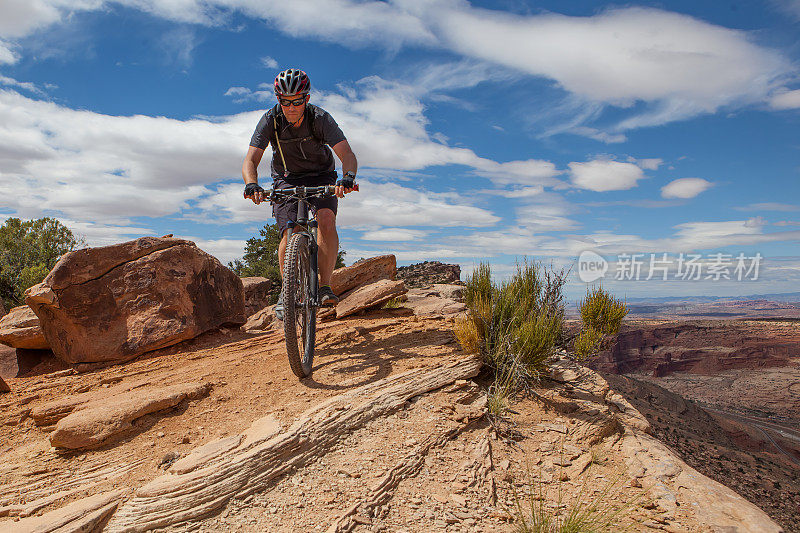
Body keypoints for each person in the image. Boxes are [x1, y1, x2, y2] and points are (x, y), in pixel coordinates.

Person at [242, 68, 357, 320]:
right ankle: (287, 292)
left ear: (306, 98)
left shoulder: (320, 118)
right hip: (286, 178)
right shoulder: (270, 120)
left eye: (297, 101)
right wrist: (252, 184)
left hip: (321, 176)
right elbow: (250, 159)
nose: (291, 107)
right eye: (285, 101)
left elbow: (347, 154)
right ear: (277, 99)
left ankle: (325, 285)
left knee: (326, 220)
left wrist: (347, 178)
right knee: (289, 231)